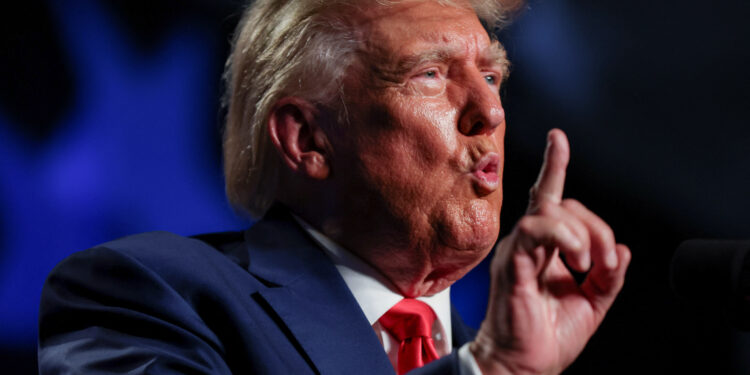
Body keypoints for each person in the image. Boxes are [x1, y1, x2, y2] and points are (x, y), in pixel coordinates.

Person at [38, 0, 631, 374]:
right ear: (308, 140)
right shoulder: (148, 293)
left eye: (492, 75)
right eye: (429, 74)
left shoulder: (513, 352)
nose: (490, 113)